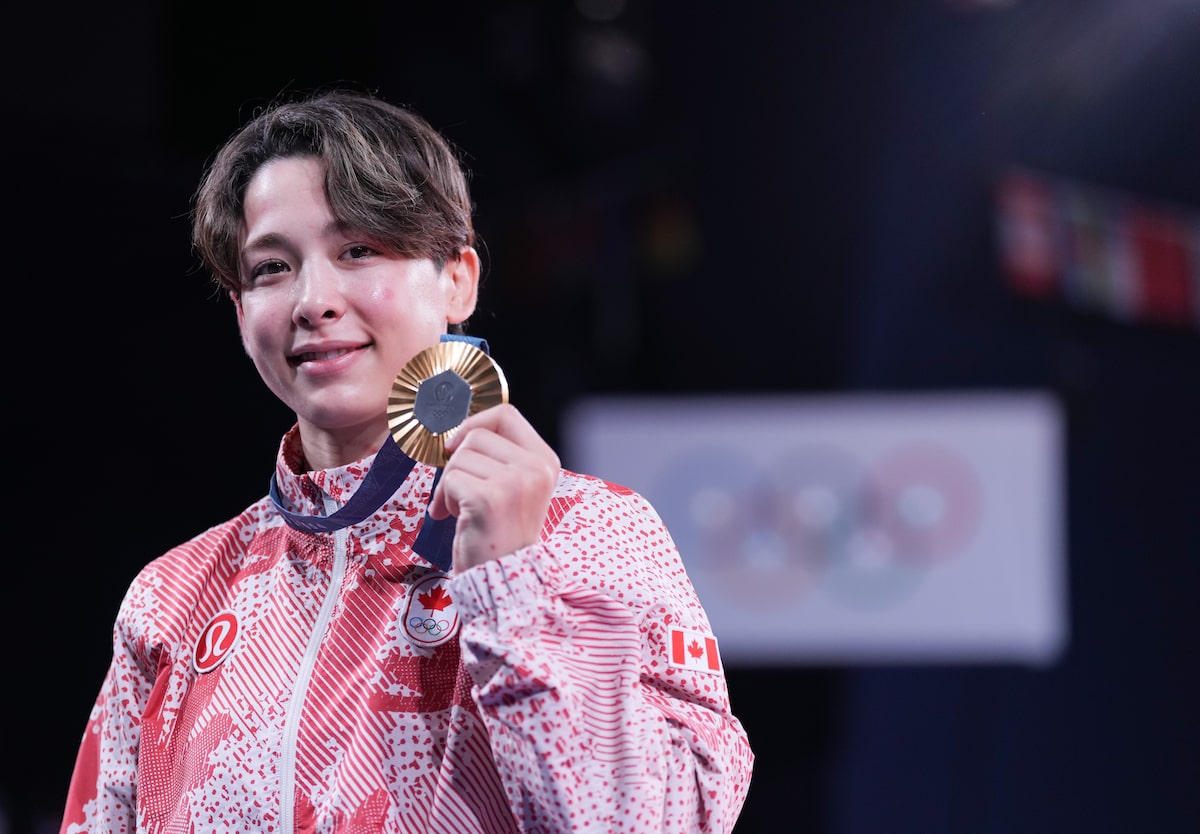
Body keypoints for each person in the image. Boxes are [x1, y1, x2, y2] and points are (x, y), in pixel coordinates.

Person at [60, 88, 754, 834]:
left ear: (458, 279)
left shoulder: (591, 531)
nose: (313, 300)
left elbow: (655, 824)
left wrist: (511, 583)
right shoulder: (172, 598)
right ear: (239, 312)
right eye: (270, 268)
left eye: (358, 249)